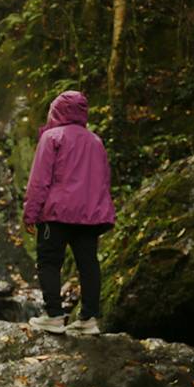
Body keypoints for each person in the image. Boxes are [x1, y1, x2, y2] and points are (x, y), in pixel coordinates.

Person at [22, 90, 115, 335]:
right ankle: (89, 319)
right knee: (89, 264)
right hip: (88, 216)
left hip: (56, 214)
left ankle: (53, 316)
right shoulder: (95, 141)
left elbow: (39, 180)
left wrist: (31, 213)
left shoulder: (52, 137)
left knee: (49, 262)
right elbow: (103, 180)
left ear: (57, 111)